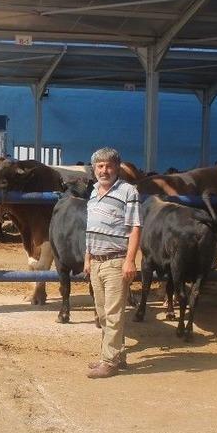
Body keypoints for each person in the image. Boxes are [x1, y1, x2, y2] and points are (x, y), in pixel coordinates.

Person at [83, 147, 141, 379]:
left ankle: (109, 361)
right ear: (94, 169)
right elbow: (91, 228)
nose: (104, 170)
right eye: (100, 166)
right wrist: (88, 258)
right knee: (103, 313)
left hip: (116, 261)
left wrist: (130, 261)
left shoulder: (128, 191)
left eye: (108, 166)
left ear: (117, 168)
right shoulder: (93, 192)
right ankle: (118, 356)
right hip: (96, 261)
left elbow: (135, 227)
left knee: (114, 313)